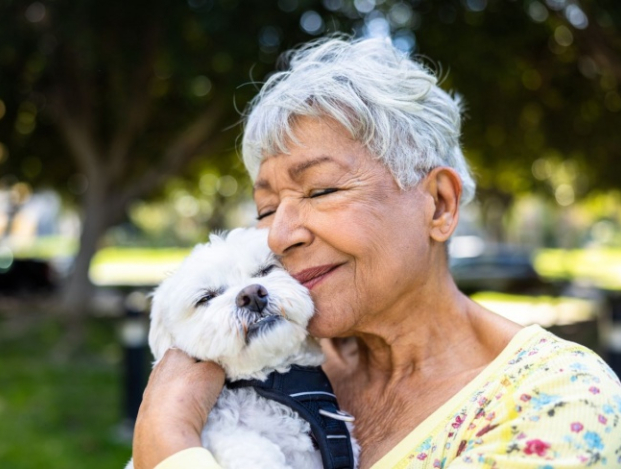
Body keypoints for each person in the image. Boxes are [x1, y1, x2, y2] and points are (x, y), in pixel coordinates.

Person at [131, 37, 621, 469]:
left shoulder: (556, 403)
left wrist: (166, 438)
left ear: (439, 204)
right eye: (265, 208)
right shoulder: (278, 363)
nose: (280, 234)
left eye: (320, 190)